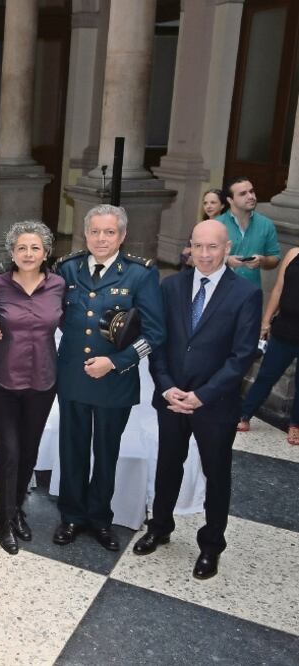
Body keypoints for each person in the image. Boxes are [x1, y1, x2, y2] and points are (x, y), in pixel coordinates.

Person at [137, 220, 261, 580]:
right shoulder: (171, 285)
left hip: (215, 404)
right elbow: (156, 340)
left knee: (216, 473)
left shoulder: (244, 294)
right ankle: (160, 527)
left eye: (213, 247)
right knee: (168, 465)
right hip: (172, 396)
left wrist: (202, 396)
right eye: (198, 247)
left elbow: (242, 355)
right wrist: (165, 385)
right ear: (188, 247)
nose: (205, 255)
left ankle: (211, 545)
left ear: (227, 249)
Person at [54, 204, 165, 551]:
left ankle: (100, 518)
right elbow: (53, 315)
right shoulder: (67, 268)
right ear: (85, 234)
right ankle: (71, 515)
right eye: (95, 232)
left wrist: (117, 362)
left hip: (114, 382)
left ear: (123, 235)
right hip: (72, 376)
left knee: (106, 452)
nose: (101, 239)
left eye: (109, 232)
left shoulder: (140, 274)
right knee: (71, 449)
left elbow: (155, 335)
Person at [0, 221, 64, 554]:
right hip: (4, 379)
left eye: (35, 247)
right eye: (22, 248)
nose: (28, 253)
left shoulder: (60, 285)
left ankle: (17, 508)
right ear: (12, 253)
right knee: (9, 451)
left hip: (43, 379)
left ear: (46, 251)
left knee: (29, 451)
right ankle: (4, 521)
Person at [237, 245, 299, 445]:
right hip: (285, 329)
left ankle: (295, 425)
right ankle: (245, 415)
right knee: (266, 374)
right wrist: (266, 321)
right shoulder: (294, 254)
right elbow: (279, 288)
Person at [216, 177, 280, 288]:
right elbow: (201, 258)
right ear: (230, 200)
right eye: (243, 194)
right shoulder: (216, 225)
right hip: (220, 290)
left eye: (251, 191)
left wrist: (262, 260)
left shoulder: (266, 224)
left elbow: (275, 258)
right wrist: (226, 260)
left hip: (251, 292)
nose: (251, 196)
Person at [181, 188, 226, 269]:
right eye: (205, 203)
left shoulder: (227, 228)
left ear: (222, 205)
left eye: (213, 203)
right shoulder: (199, 227)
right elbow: (185, 254)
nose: (208, 206)